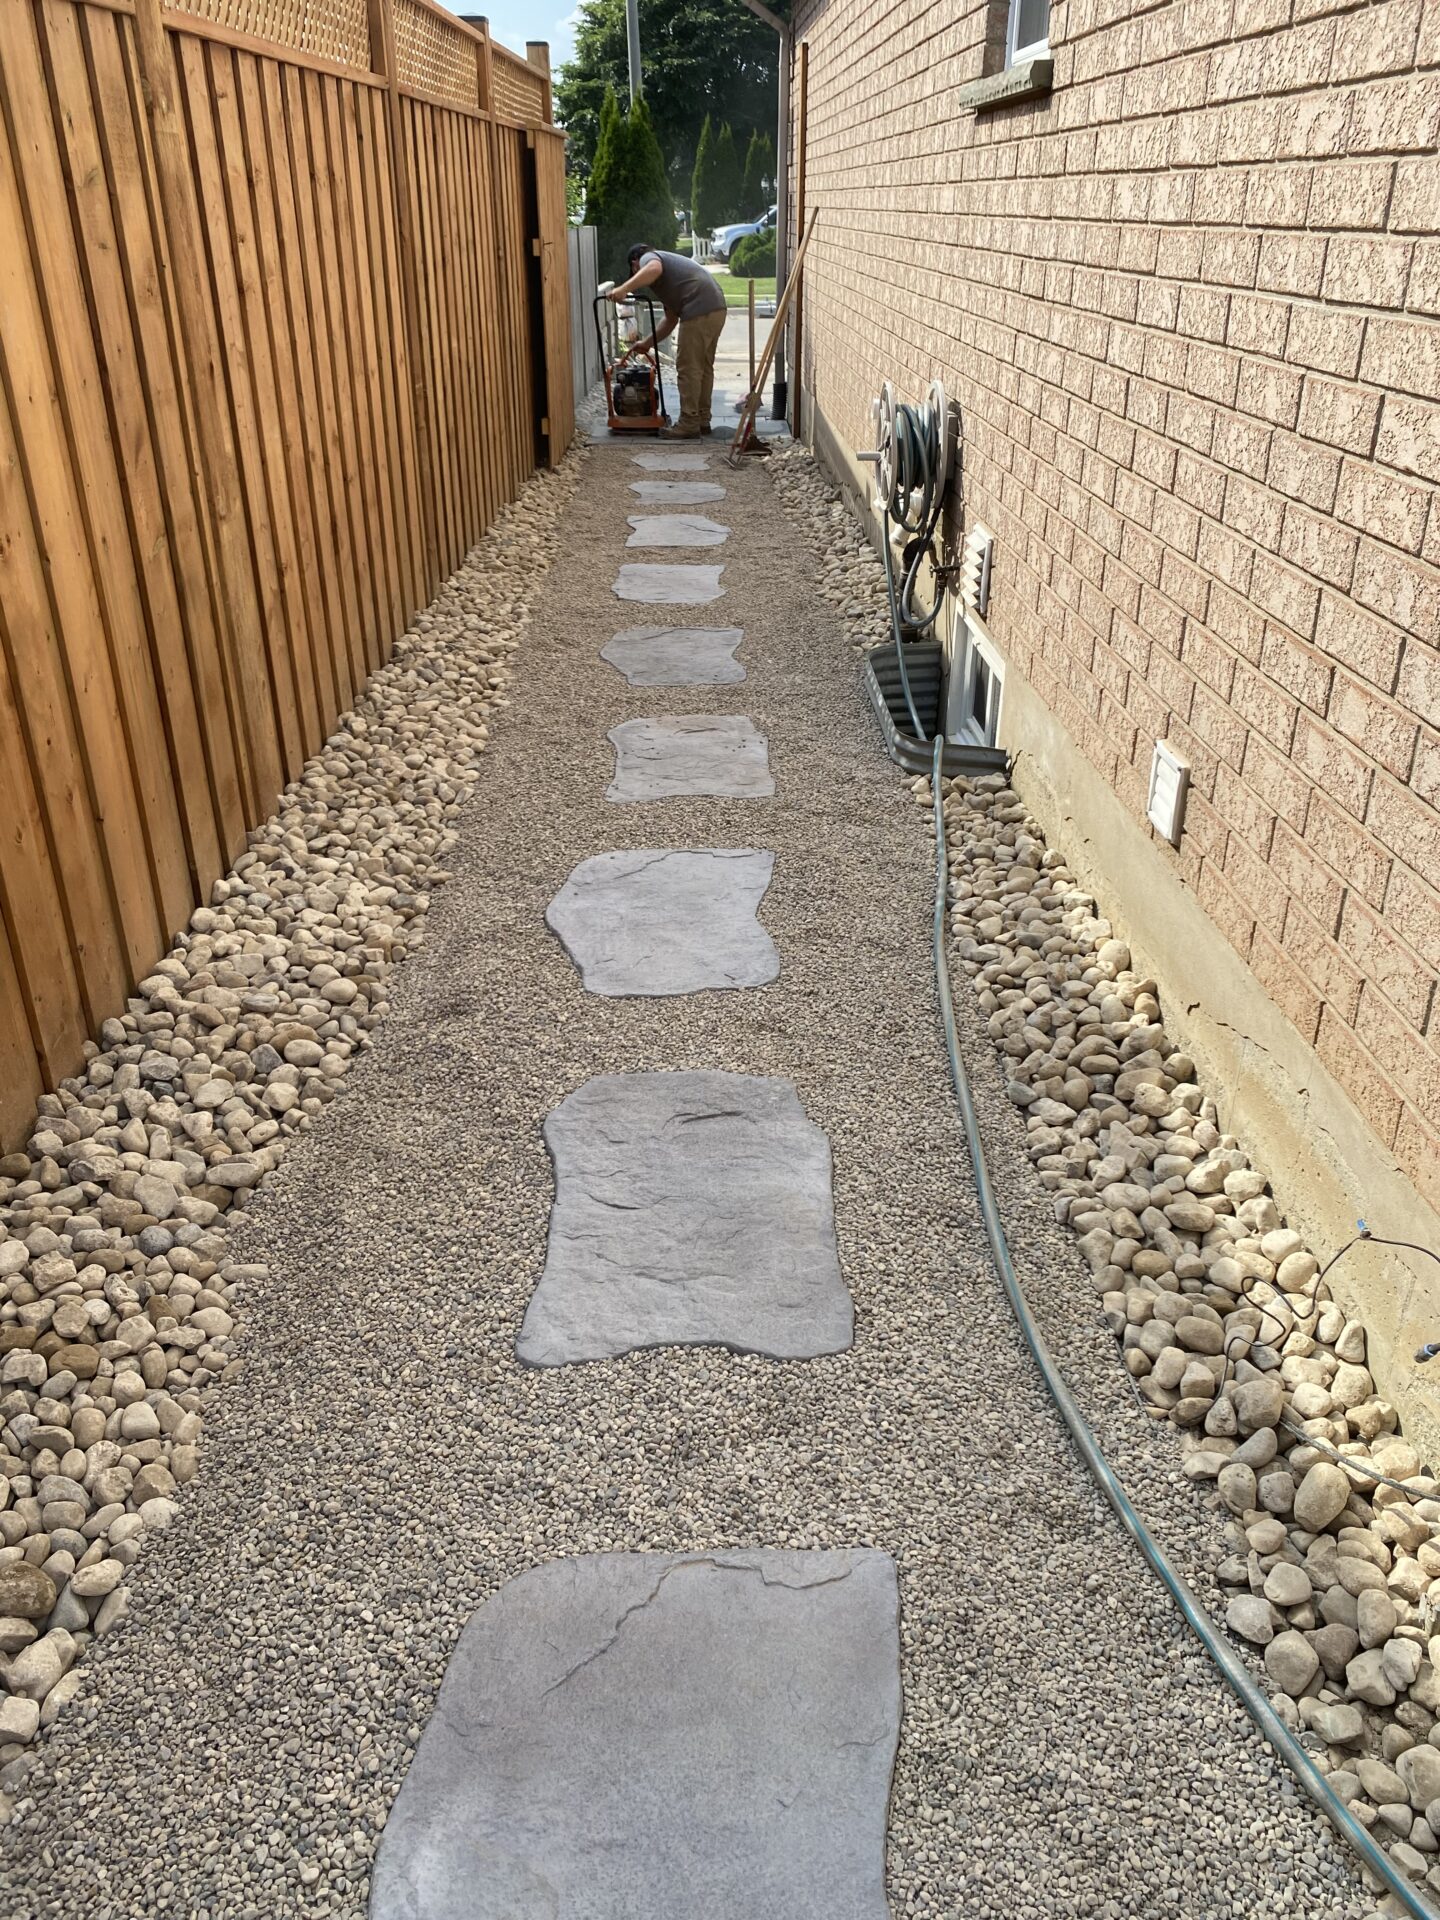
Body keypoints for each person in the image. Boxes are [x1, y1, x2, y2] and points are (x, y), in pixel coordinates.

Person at [606, 242, 727, 439]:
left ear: (635, 263)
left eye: (634, 271)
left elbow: (653, 268)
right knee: (703, 368)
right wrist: (647, 343)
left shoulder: (649, 258)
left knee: (688, 368)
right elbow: (670, 320)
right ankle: (702, 420)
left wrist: (624, 288)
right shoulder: (670, 280)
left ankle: (689, 423)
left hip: (698, 308)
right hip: (716, 307)